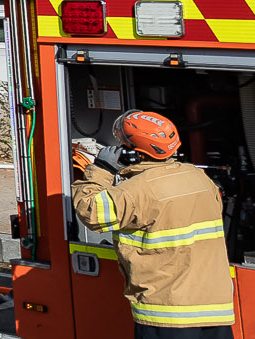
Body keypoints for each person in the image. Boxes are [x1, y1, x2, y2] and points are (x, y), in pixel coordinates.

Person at [71, 109, 235, 338]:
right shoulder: (198, 178)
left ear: (131, 153)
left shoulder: (137, 191)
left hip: (168, 313)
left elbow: (90, 211)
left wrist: (102, 170)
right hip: (215, 309)